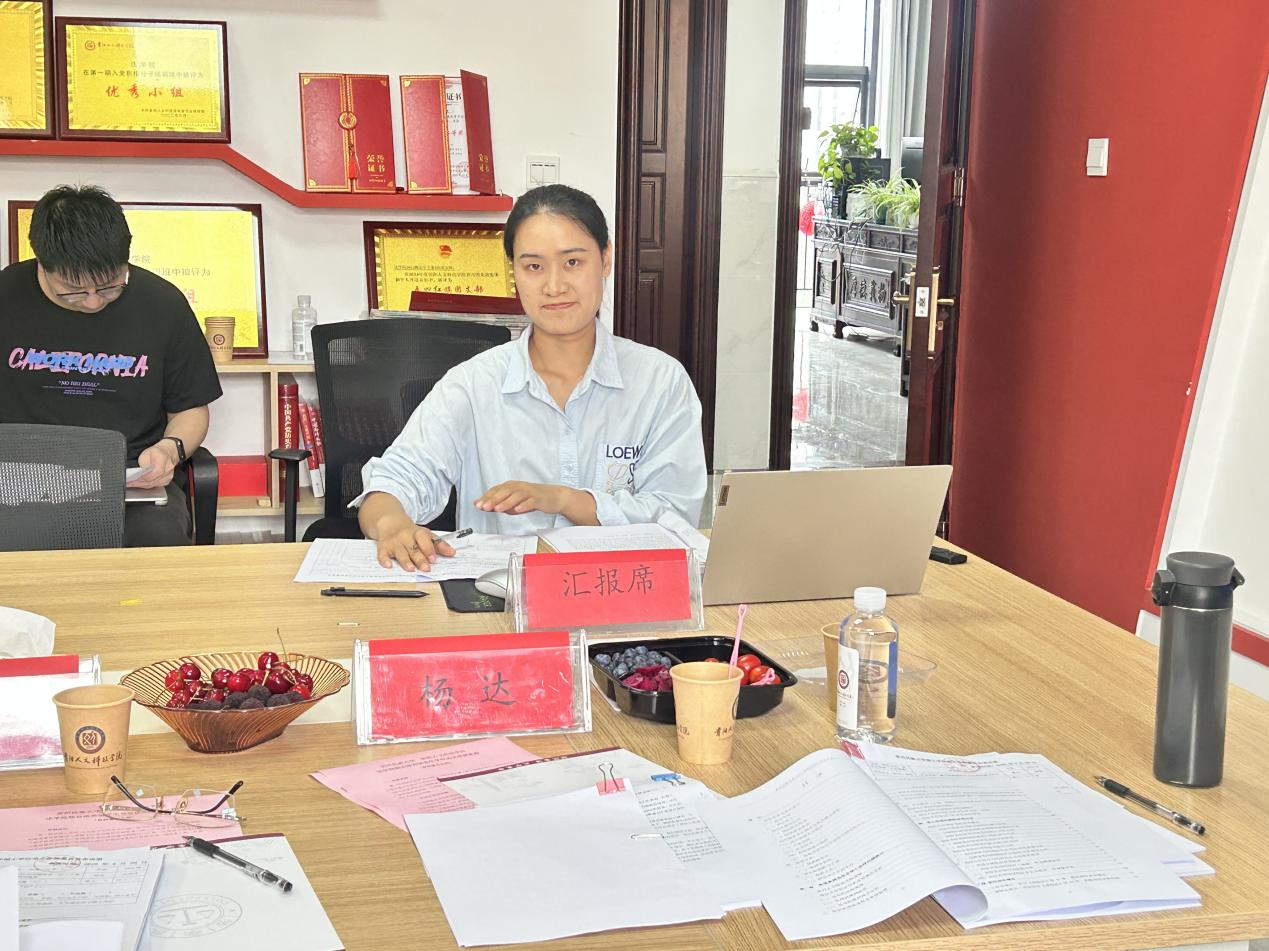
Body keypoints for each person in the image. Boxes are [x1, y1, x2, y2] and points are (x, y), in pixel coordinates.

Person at [357, 184, 707, 570]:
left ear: (605, 259)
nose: (554, 286)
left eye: (572, 262)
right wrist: (392, 524)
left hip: (623, 590)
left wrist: (564, 500)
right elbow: (394, 480)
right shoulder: (473, 385)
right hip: (502, 595)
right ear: (514, 273)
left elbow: (675, 516)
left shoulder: (660, 382)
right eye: (534, 267)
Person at [0, 185, 223, 547]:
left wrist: (169, 450)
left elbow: (191, 409)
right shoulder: (5, 297)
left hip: (130, 481)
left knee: (159, 538)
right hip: (21, 481)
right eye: (72, 291)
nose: (92, 303)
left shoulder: (163, 304)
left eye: (109, 288)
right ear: (41, 262)